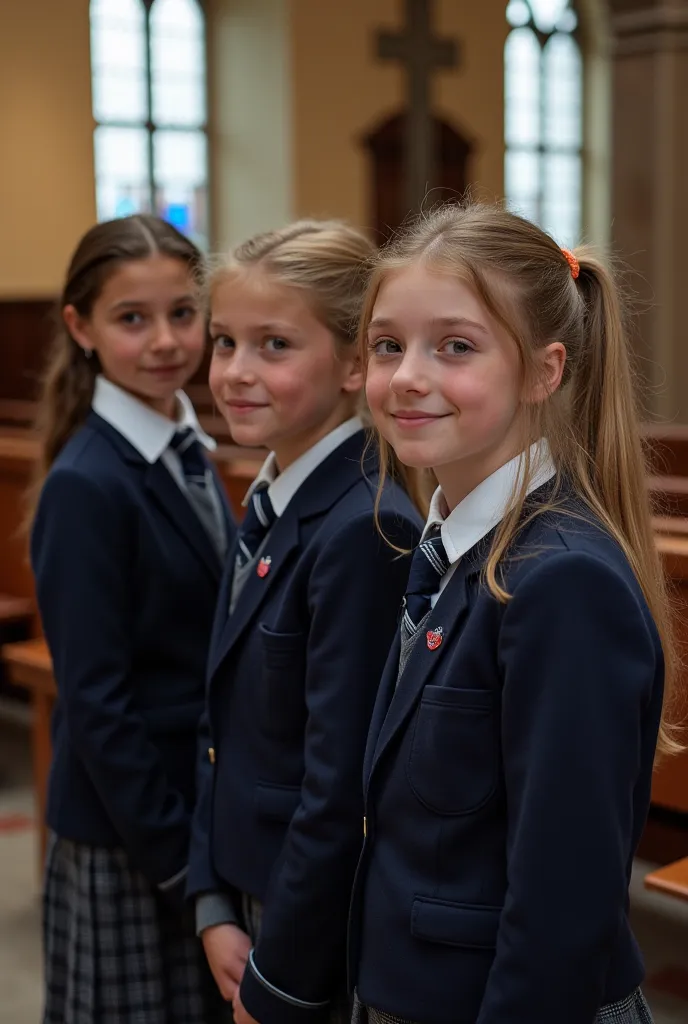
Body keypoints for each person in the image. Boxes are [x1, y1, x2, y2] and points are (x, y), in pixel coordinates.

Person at [348, 203, 679, 1024]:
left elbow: (563, 897)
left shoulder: (562, 583)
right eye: (389, 344)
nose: (409, 375)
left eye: (454, 346)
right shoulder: (451, 546)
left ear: (544, 370)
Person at [187, 220, 423, 1024]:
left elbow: (338, 790)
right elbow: (218, 715)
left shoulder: (360, 525)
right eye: (224, 342)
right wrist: (211, 896)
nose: (236, 373)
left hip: (304, 920)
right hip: (248, 886)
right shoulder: (270, 492)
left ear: (357, 362)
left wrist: (280, 977)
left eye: (275, 345)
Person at [30, 214, 233, 1024]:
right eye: (132, 319)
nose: (165, 341)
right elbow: (97, 699)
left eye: (183, 313)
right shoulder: (90, 482)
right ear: (81, 328)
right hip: (133, 830)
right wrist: (178, 861)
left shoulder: (187, 443)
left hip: (189, 808)